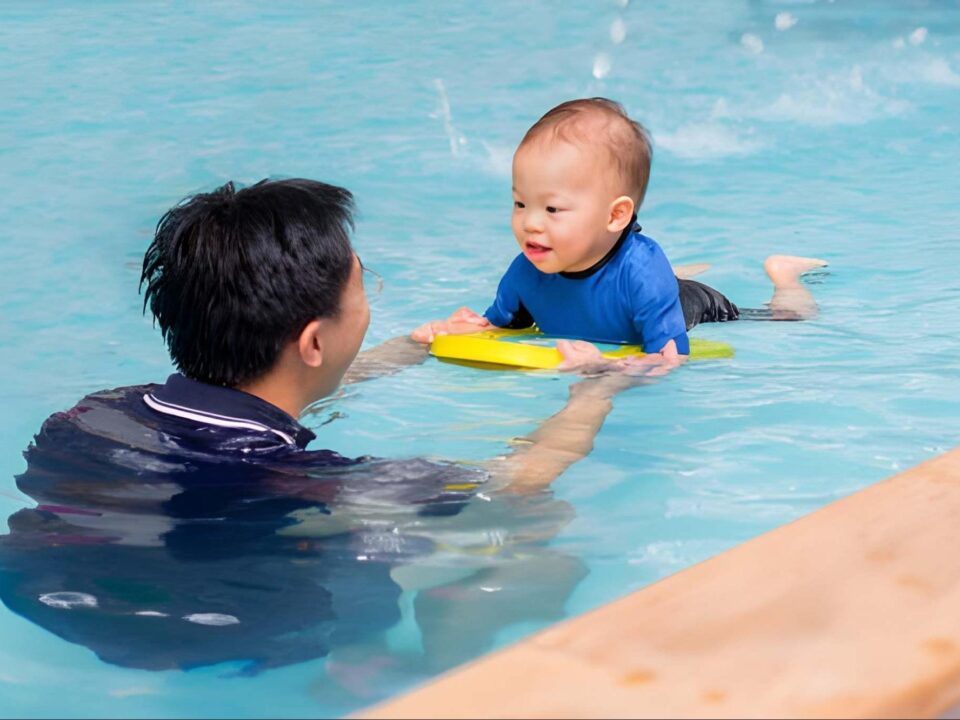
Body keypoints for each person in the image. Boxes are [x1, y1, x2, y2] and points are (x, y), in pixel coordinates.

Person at [0, 178, 626, 681]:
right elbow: (522, 480)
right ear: (314, 340)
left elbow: (274, 399)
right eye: (363, 288)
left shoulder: (92, 416)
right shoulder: (320, 487)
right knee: (541, 532)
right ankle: (417, 671)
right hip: (248, 633)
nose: (369, 298)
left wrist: (409, 348)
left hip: (60, 601)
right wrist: (597, 388)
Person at [411, 98, 827, 371]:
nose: (530, 223)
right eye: (520, 204)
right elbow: (504, 328)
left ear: (616, 215)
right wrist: (457, 328)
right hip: (629, 286)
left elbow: (670, 358)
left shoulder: (643, 273)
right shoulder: (526, 270)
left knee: (785, 320)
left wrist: (606, 367)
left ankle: (784, 275)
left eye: (552, 209)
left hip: (692, 307)